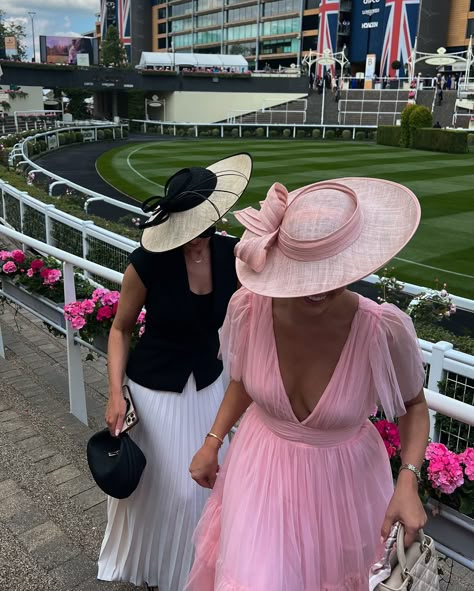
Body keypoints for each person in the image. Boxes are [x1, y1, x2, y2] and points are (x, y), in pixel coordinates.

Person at [186, 178, 429, 591]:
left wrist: (408, 478)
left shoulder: (382, 330)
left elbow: (415, 406)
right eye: (306, 272)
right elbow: (244, 382)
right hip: (260, 471)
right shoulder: (249, 308)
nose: (318, 289)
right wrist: (212, 441)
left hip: (344, 489)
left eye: (329, 272)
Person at [98, 153, 253, 591]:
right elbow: (119, 329)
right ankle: (154, 571)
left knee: (205, 491)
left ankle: (196, 574)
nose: (193, 242)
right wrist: (115, 393)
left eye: (199, 232)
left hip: (211, 387)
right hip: (154, 391)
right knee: (163, 492)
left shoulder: (232, 255)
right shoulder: (147, 261)